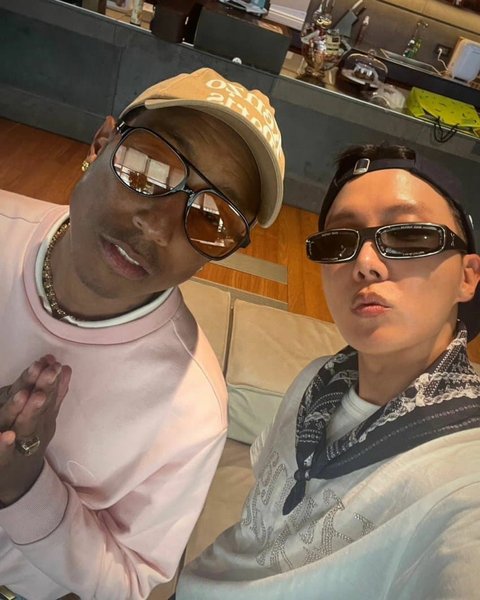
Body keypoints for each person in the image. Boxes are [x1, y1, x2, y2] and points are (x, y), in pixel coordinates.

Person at [0, 67, 285, 600]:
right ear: (101, 143)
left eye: (212, 219)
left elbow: (131, 580)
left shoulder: (191, 412)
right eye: (149, 166)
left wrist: (24, 488)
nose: (157, 226)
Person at [176, 144, 480, 599]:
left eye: (409, 236)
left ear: (467, 276)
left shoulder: (463, 479)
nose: (365, 264)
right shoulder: (318, 380)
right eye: (339, 241)